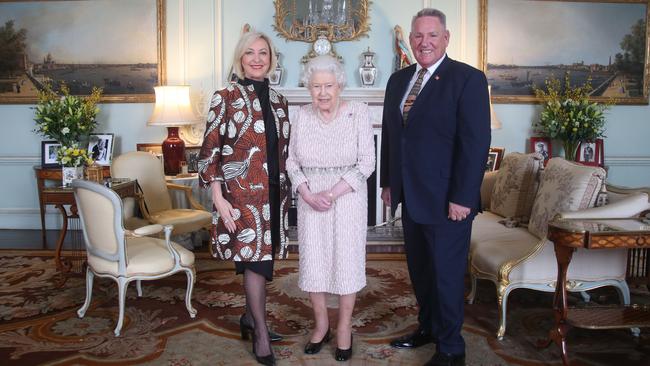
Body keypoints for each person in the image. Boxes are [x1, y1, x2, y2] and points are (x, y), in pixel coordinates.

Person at [380, 9, 491, 366]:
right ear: (410, 39)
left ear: (446, 38)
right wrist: (388, 184)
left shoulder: (467, 79)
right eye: (417, 36)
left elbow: (474, 144)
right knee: (422, 270)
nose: (423, 42)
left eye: (431, 35)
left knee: (445, 275)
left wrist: (462, 197)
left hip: (448, 201)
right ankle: (427, 328)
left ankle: (450, 350)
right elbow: (392, 138)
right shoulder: (398, 81)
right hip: (411, 197)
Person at [198, 31, 291, 366]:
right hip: (240, 199)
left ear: (271, 59)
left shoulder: (279, 101)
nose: (256, 58)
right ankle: (261, 334)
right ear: (240, 57)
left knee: (264, 260)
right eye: (250, 52)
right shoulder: (225, 96)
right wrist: (219, 199)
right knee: (255, 261)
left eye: (263, 53)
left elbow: (284, 152)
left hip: (275, 196)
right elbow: (208, 154)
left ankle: (250, 318)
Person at [286, 55, 375, 362]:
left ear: (340, 85)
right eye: (315, 86)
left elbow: (367, 162)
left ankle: (344, 327)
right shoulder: (300, 115)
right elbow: (291, 161)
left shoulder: (359, 113)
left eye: (328, 86)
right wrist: (306, 193)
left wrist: (333, 192)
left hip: (347, 197)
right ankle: (321, 324)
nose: (322, 92)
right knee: (315, 261)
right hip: (311, 198)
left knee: (346, 261)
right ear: (308, 88)